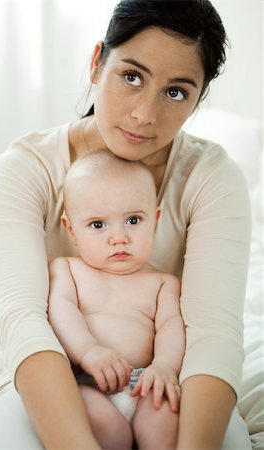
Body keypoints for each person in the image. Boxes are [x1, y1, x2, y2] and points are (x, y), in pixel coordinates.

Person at [0, 1, 252, 449]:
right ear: (97, 62)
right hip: (54, 378)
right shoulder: (24, 170)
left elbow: (213, 335)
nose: (144, 114)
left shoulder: (211, 178)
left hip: (167, 386)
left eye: (176, 92)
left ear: (199, 98)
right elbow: (25, 323)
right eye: (132, 76)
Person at [48, 150, 185, 449]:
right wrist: (88, 351)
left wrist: (164, 366)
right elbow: (61, 311)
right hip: (87, 379)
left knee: (163, 421)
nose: (118, 237)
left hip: (144, 383)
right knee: (108, 431)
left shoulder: (163, 283)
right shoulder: (68, 270)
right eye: (98, 225)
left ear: (156, 220)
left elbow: (171, 326)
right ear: (71, 230)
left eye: (133, 220)